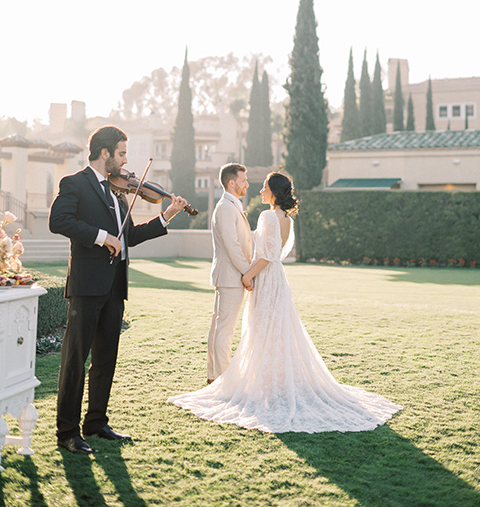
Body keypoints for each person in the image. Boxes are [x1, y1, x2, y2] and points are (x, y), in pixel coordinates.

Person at [168, 172, 402, 433]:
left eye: (265, 187)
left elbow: (267, 255)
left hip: (266, 278)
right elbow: (274, 251)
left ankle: (263, 385)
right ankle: (272, 383)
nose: (260, 191)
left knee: (263, 331)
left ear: (274, 192)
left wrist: (247, 274)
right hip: (277, 279)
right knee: (275, 331)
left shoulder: (268, 216)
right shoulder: (286, 218)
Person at [49, 125, 187, 455]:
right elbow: (59, 221)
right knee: (75, 360)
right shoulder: (75, 183)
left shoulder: (119, 192)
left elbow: (130, 236)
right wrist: (101, 236)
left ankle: (95, 422)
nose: (126, 161)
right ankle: (67, 431)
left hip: (115, 286)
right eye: (122, 153)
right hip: (87, 285)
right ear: (105, 153)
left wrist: (165, 216)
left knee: (106, 359)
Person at [206, 163, 253, 384]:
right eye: (243, 180)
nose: (247, 183)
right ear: (231, 183)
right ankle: (223, 381)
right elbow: (232, 245)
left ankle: (214, 377)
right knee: (225, 330)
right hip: (230, 277)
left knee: (219, 327)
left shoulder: (231, 205)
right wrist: (248, 272)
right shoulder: (225, 207)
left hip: (230, 277)